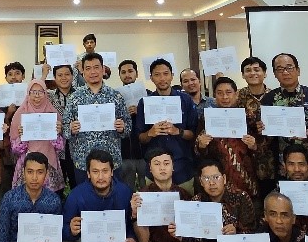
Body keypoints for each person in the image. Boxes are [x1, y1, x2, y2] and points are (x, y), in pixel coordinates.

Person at [260, 54, 308, 180]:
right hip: (284, 169)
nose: (285, 72)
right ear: (275, 74)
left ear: (298, 71)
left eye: (289, 67)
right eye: (280, 69)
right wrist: (261, 129)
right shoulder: (268, 100)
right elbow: (265, 142)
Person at [62, 53, 131, 182]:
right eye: (88, 68)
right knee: (85, 195)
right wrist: (71, 129)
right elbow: (64, 128)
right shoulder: (74, 98)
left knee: (113, 194)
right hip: (83, 163)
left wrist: (122, 128)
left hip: (111, 162)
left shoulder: (115, 96)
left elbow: (128, 126)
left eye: (96, 67)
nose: (92, 72)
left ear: (103, 69)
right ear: (82, 72)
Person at [195, 76, 263, 200]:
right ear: (214, 96)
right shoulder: (206, 119)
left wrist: (254, 145)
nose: (225, 97)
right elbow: (197, 151)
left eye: (228, 92)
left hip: (245, 176)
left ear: (236, 94)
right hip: (216, 178)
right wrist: (201, 145)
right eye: (220, 93)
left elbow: (261, 147)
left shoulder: (248, 118)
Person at [135, 58, 197, 190]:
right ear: (151, 78)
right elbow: (140, 137)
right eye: (157, 75)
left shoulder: (185, 100)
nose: (162, 78)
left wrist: (178, 131)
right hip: (154, 170)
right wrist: (150, 133)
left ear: (172, 76)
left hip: (182, 168)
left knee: (185, 201)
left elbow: (193, 134)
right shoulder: (145, 102)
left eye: (166, 73)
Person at [8, 79, 65, 191]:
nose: (37, 95)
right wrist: (22, 137)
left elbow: (60, 147)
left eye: (40, 92)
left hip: (49, 164)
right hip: (27, 165)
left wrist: (57, 133)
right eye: (33, 92)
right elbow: (15, 150)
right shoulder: (20, 114)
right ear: (28, 94)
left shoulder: (53, 113)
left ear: (45, 93)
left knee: (48, 198)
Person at [238, 57, 277, 197]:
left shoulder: (275, 96)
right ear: (243, 75)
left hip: (272, 158)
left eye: (257, 69)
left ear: (265, 73)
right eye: (248, 70)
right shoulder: (237, 97)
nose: (252, 73)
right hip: (246, 157)